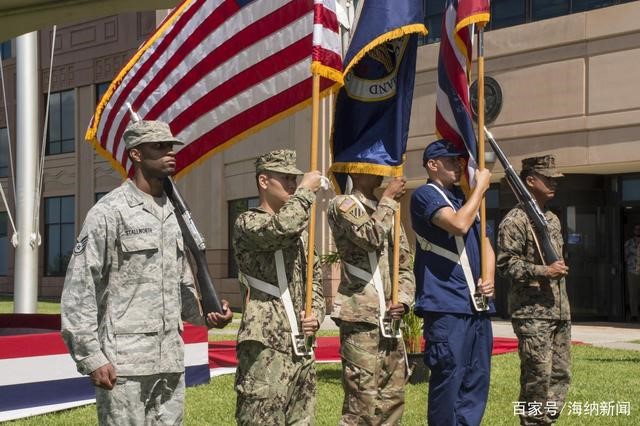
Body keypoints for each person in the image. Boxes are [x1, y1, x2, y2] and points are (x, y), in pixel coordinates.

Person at [61, 119, 233, 425]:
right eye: (159, 147)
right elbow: (80, 287)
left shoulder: (174, 213)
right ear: (136, 154)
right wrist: (91, 356)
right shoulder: (110, 211)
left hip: (169, 361)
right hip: (124, 365)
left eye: (171, 147)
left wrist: (206, 314)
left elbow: (179, 282)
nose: (170, 153)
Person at [232, 149, 326, 425]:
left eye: (294, 179)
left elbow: (315, 280)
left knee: (301, 419)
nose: (292, 184)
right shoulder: (247, 222)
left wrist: (316, 314)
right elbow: (279, 230)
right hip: (266, 342)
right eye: (284, 178)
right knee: (262, 417)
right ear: (263, 181)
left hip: (301, 343)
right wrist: (306, 193)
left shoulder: (302, 233)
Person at [410, 139, 495, 426]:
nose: (458, 166)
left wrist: (489, 279)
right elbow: (458, 224)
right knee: (450, 378)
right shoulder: (425, 195)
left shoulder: (463, 198)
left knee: (477, 379)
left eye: (460, 161)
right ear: (433, 165)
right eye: (451, 161)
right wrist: (481, 188)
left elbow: (485, 244)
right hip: (446, 304)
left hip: (476, 305)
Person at [328, 173, 415, 425]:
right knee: (361, 403)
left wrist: (404, 299)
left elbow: (404, 266)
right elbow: (370, 237)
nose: (380, 171)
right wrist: (388, 199)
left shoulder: (389, 211)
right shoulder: (344, 204)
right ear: (356, 169)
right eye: (372, 164)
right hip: (361, 317)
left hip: (390, 319)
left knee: (392, 398)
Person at [497, 155, 570, 425]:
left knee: (560, 377)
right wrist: (544, 271)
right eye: (547, 178)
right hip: (532, 313)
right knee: (537, 378)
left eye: (554, 178)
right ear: (530, 180)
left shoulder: (551, 219)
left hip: (558, 310)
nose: (553, 182)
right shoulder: (515, 221)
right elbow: (506, 265)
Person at [623, 224, 640, 321]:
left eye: (639, 229)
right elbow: (625, 257)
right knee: (633, 293)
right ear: (634, 230)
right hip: (632, 271)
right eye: (636, 229)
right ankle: (634, 314)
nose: (638, 231)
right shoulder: (628, 243)